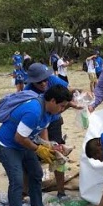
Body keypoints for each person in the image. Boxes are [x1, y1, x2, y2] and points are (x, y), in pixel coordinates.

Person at [0, 85, 73, 206]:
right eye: (61, 106)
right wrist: (38, 149)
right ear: (53, 101)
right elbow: (19, 138)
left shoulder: (49, 111)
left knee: (36, 173)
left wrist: (48, 146)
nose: (62, 110)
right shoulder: (34, 111)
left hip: (25, 142)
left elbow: (43, 128)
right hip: (8, 145)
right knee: (17, 180)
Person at [24, 63, 75, 198]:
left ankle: (61, 191)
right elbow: (40, 125)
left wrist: (72, 103)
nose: (43, 83)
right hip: (37, 123)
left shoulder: (52, 80)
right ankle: (26, 191)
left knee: (58, 153)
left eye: (45, 79)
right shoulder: (28, 92)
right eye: (39, 82)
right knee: (31, 155)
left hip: (54, 120)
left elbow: (67, 93)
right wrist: (45, 144)